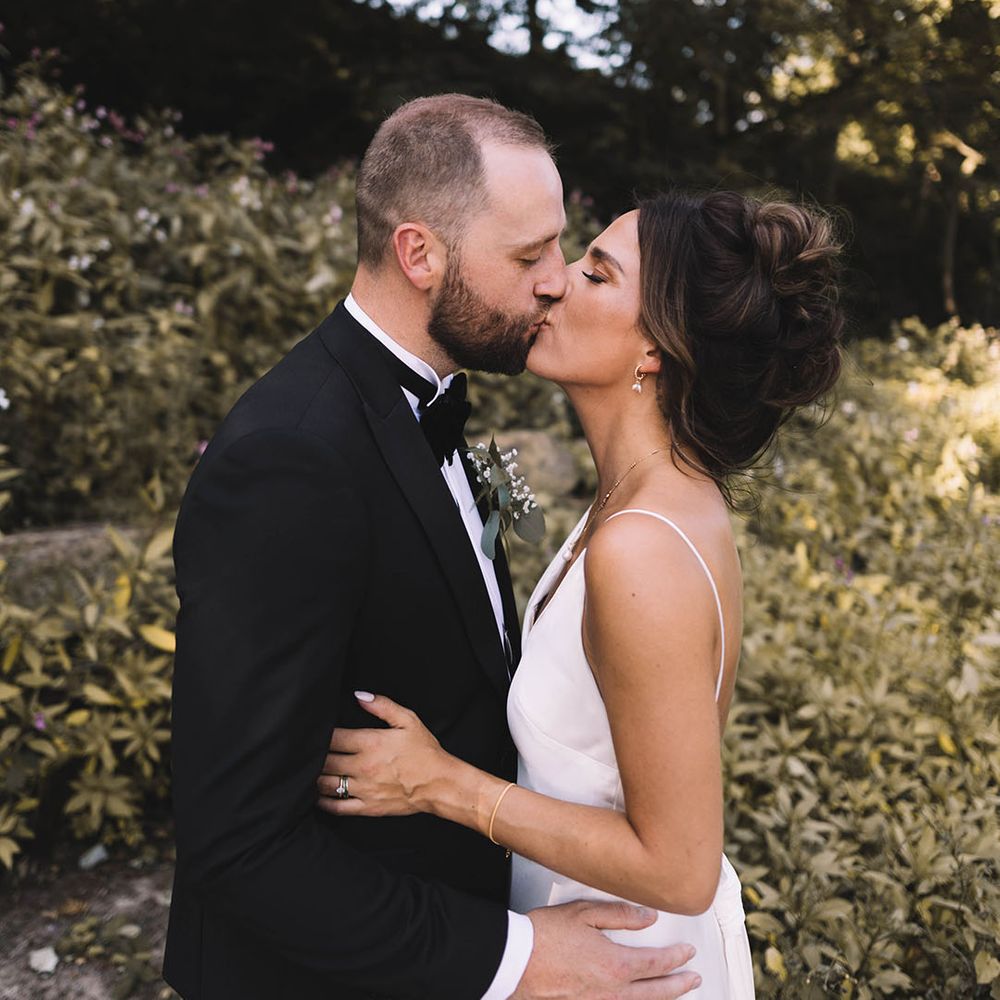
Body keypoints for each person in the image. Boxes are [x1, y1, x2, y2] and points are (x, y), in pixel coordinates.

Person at [163, 95, 702, 1000]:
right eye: (529, 256)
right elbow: (239, 843)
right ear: (420, 254)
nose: (557, 281)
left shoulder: (436, 406)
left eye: (560, 249)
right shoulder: (289, 458)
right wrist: (514, 956)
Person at [316, 190, 846, 997]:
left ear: (654, 351)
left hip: (627, 961)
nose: (556, 282)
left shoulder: (641, 548)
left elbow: (680, 866)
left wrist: (438, 783)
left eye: (597, 275)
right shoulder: (654, 498)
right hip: (592, 939)